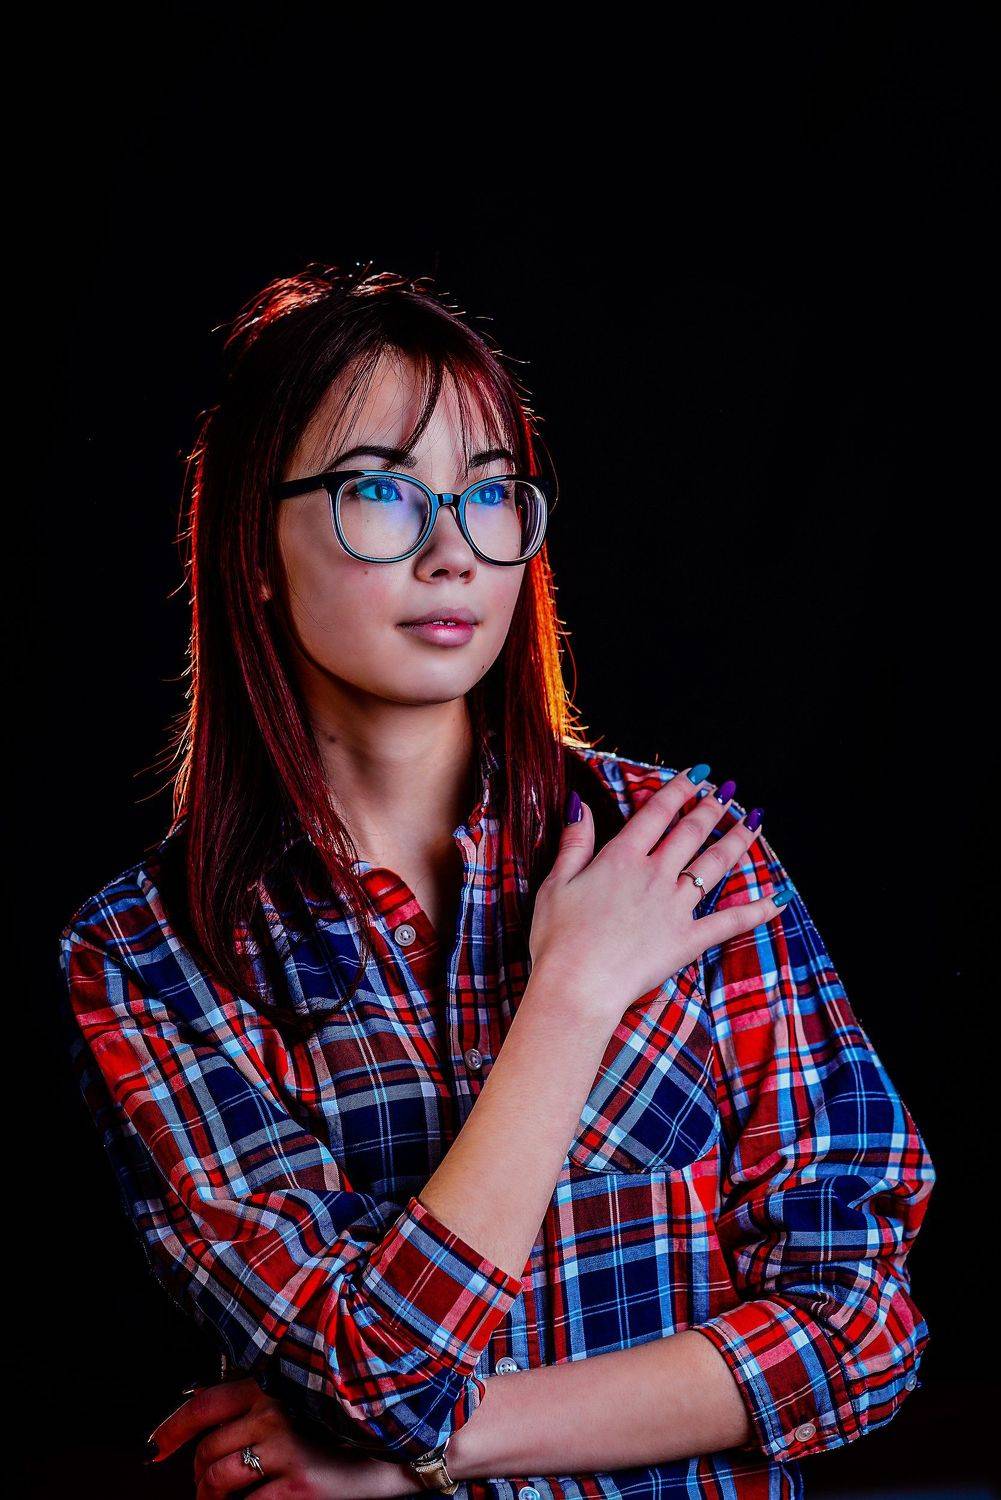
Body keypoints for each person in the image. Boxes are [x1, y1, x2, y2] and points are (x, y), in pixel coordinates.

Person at [57, 262, 935, 1500]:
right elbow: (378, 1374)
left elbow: (859, 1332)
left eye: (486, 494)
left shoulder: (679, 855)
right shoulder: (149, 954)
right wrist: (572, 995)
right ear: (254, 545)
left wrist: (420, 1455)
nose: (451, 554)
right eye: (377, 492)